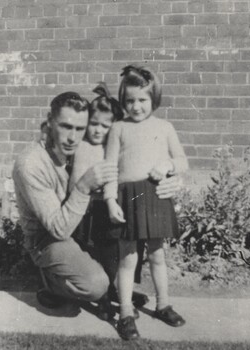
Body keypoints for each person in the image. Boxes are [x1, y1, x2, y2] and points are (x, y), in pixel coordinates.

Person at [104, 65, 189, 340]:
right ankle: (126, 312)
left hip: (153, 196)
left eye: (142, 100)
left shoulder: (164, 128)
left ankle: (163, 304)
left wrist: (167, 164)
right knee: (128, 258)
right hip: (127, 198)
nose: (136, 106)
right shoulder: (118, 128)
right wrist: (109, 199)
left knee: (157, 255)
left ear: (154, 99)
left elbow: (182, 162)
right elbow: (109, 168)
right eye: (129, 100)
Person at [13, 92, 116, 307]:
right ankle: (50, 281)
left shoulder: (80, 148)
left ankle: (111, 285)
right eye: (66, 127)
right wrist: (84, 185)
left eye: (79, 129)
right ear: (50, 122)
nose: (72, 138)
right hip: (47, 239)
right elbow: (58, 229)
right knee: (96, 284)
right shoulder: (31, 163)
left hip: (79, 227)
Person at [68, 82, 146, 320]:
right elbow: (73, 180)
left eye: (105, 126)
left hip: (105, 208)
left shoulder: (111, 148)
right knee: (91, 255)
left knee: (111, 254)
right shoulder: (81, 146)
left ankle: (113, 289)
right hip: (84, 210)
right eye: (94, 124)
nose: (98, 131)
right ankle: (101, 298)